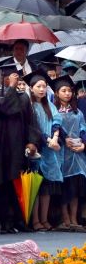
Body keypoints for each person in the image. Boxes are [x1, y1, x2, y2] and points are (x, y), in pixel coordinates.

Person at [0, 63, 41, 233]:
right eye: (9, 78)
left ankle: (20, 220)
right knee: (5, 183)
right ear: (1, 79)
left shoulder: (24, 97)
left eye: (15, 78)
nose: (14, 80)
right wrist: (11, 88)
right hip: (3, 146)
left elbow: (31, 122)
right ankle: (5, 221)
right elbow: (6, 108)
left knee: (20, 183)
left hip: (19, 147)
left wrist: (32, 141)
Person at [27, 71, 64, 232]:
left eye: (44, 86)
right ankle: (35, 220)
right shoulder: (29, 106)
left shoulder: (49, 105)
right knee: (36, 186)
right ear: (31, 88)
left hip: (50, 152)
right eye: (38, 86)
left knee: (47, 188)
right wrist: (48, 141)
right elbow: (34, 128)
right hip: (37, 150)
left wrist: (55, 137)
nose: (42, 89)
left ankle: (44, 218)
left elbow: (57, 119)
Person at [53, 76, 86, 230]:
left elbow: (83, 128)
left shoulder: (77, 111)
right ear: (56, 93)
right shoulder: (54, 111)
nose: (67, 94)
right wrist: (64, 139)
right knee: (65, 187)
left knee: (76, 187)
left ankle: (74, 218)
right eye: (63, 91)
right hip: (62, 154)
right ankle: (65, 218)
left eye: (69, 91)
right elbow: (54, 128)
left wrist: (84, 145)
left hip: (77, 154)